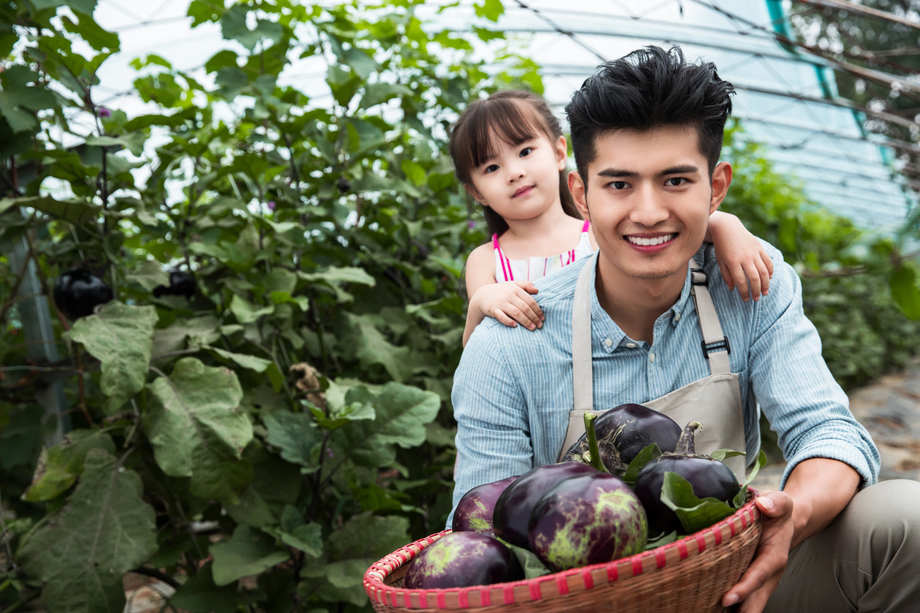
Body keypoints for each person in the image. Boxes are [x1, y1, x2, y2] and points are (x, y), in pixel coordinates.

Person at [449, 46, 920, 613]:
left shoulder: (750, 285)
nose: (648, 213)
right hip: (585, 603)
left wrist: (785, 523)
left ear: (716, 187)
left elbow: (828, 431)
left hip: (736, 576)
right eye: (619, 184)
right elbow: (482, 532)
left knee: (905, 522)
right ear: (582, 193)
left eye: (675, 180)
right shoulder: (508, 342)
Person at [449, 90, 773, 347]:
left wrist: (725, 225)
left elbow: (675, 226)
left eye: (524, 152)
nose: (514, 173)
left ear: (560, 153)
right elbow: (478, 359)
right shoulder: (487, 260)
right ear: (475, 191)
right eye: (491, 168)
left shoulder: (599, 233)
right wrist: (481, 303)